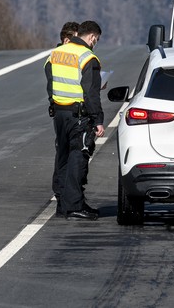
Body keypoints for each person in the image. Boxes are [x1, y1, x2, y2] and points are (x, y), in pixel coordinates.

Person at [45, 20, 105, 220]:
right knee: (78, 157)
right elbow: (90, 94)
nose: (94, 44)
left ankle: (63, 202)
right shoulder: (88, 57)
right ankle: (74, 205)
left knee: (62, 156)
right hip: (79, 115)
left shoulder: (56, 53)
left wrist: (53, 101)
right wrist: (98, 120)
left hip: (59, 113)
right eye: (95, 40)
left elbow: (51, 78)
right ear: (92, 37)